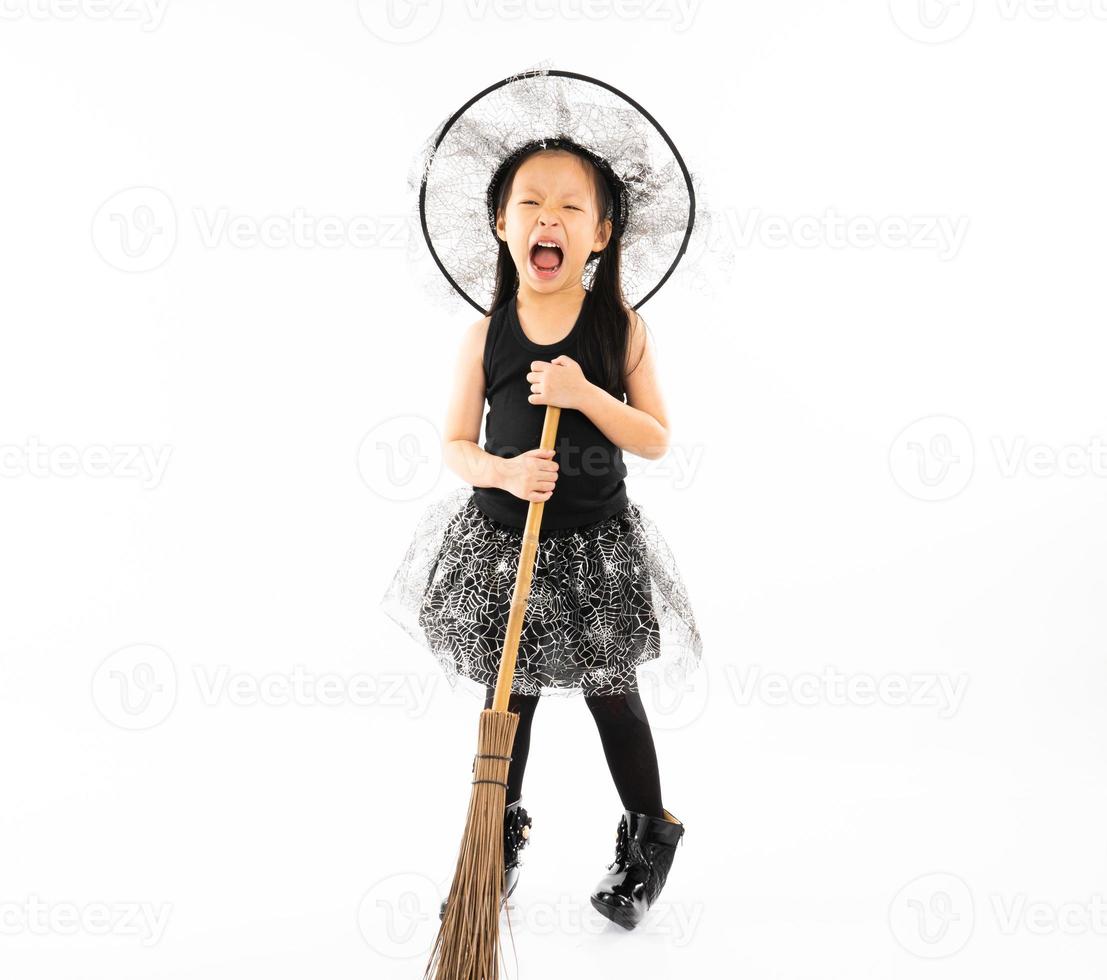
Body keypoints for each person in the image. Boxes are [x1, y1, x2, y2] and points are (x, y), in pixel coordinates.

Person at [381, 70, 704, 932]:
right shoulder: (484, 334)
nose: (547, 219)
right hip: (503, 538)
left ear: (602, 231)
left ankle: (648, 838)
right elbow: (452, 445)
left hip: (594, 542)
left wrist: (585, 392)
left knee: (611, 691)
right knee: (507, 696)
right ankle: (496, 839)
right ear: (499, 222)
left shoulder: (618, 328)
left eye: (570, 206)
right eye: (529, 203)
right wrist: (501, 470)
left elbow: (655, 437)